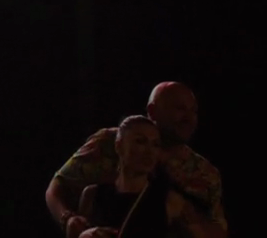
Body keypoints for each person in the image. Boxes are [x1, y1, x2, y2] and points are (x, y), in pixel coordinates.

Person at [46, 82, 226, 238]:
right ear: (152, 111)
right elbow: (59, 185)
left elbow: (218, 230)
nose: (189, 118)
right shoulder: (107, 143)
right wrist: (68, 219)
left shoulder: (203, 172)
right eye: (179, 109)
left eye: (193, 111)